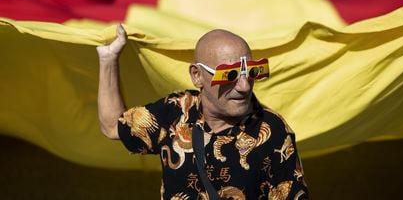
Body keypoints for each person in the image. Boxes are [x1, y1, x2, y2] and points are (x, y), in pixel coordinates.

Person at [97, 24, 309, 199]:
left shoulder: (271, 130)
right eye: (230, 74)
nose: (244, 86)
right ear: (197, 76)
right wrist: (108, 60)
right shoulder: (176, 111)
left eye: (253, 71)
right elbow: (111, 127)